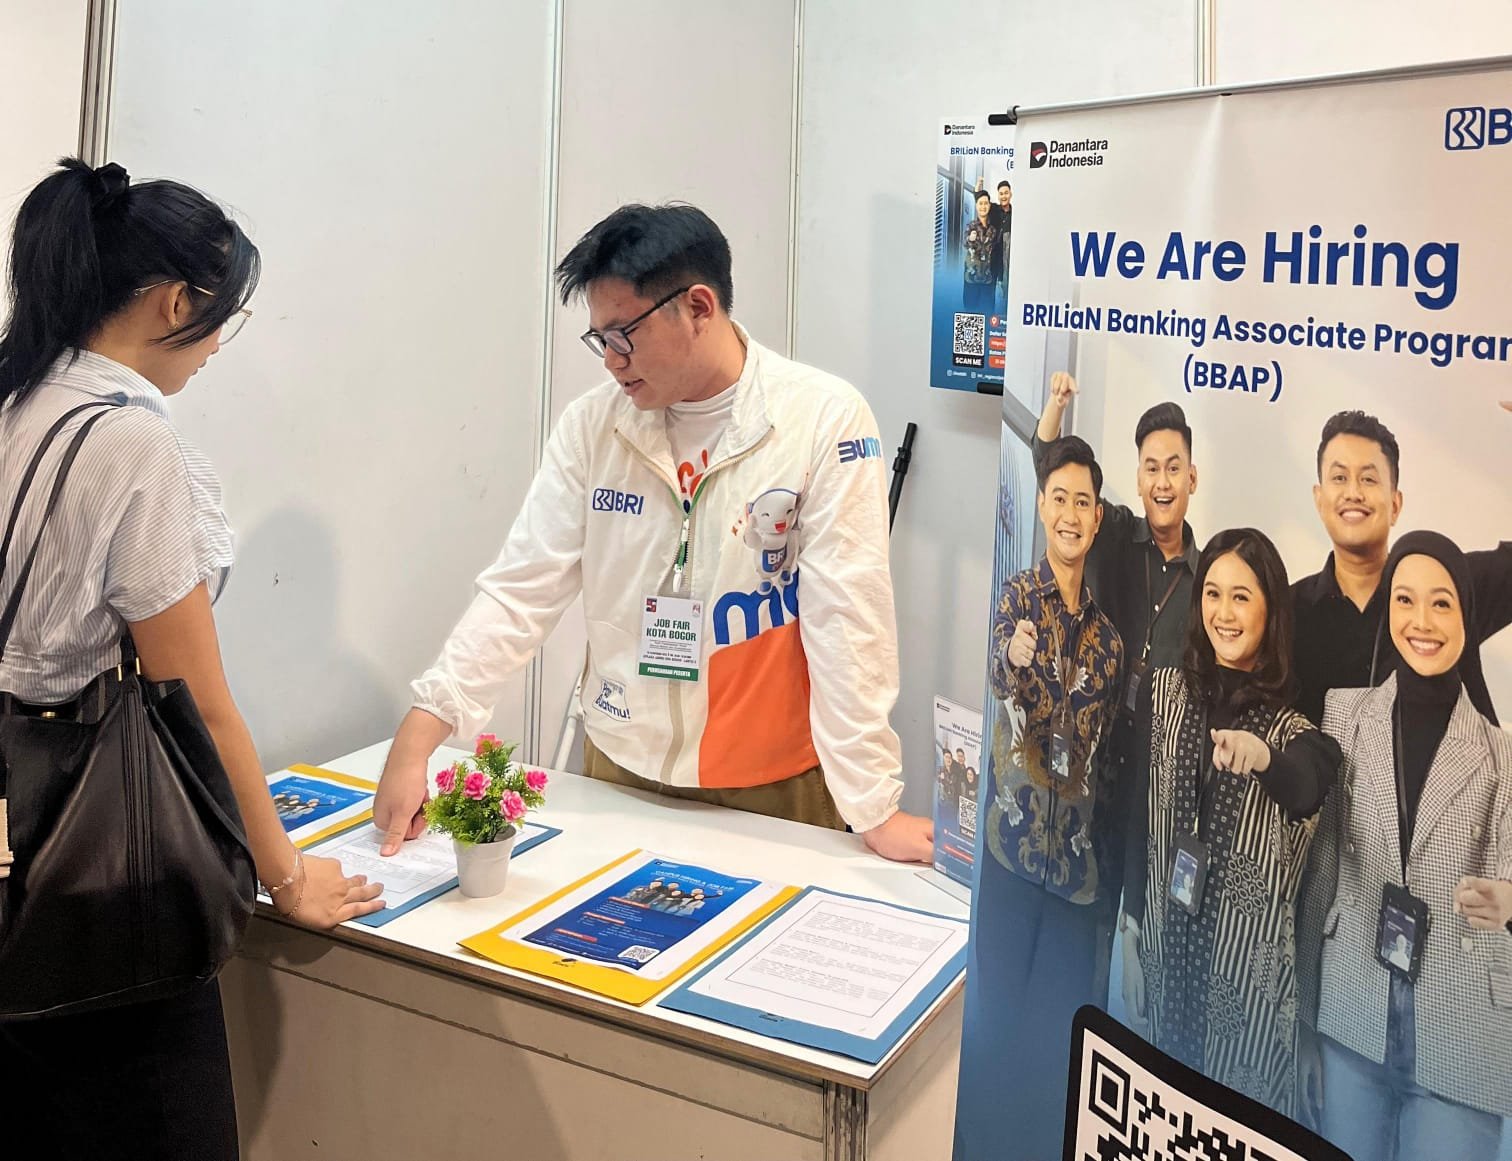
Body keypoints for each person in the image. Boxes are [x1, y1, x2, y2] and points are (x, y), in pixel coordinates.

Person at [0, 159, 382, 1160]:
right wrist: (286, 877)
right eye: (224, 318)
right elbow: (196, 701)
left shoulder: (15, 401)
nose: (216, 346)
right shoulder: (129, 445)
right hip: (92, 879)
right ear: (176, 301)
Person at [372, 204, 931, 863]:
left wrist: (873, 804)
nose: (611, 361)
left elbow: (849, 619)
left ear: (698, 307)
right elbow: (522, 589)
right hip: (621, 767)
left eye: (624, 335)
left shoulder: (822, 420)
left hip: (773, 784)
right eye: (600, 340)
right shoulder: (594, 427)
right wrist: (420, 734)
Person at [1298, 531, 1512, 1161]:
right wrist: (1305, 1021)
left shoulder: (1502, 755)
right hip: (1350, 1013)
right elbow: (1322, 875)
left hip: (1462, 1035)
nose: (1422, 621)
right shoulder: (1344, 714)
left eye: (1442, 603)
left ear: (1467, 616)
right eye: (1405, 600)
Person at [1121, 529, 1340, 1115]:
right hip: (1165, 964)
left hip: (1249, 1008)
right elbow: (1139, 819)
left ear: (1271, 611)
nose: (1223, 612)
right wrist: (1131, 930)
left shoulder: (1298, 735)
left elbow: (1306, 785)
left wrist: (1263, 757)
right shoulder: (1163, 693)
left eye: (1241, 597)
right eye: (1213, 594)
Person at [954, 436, 1124, 1161]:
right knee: (992, 1027)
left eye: (1083, 502)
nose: (1071, 514)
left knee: (1054, 1046)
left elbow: (1104, 758)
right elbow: (999, 667)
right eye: (1059, 499)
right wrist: (1012, 653)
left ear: (1098, 516)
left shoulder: (1111, 642)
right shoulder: (1019, 597)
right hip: (1009, 857)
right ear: (1045, 506)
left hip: (1076, 880)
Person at [1035, 371, 1202, 1012]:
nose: (1162, 481)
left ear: (1192, 478)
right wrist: (1054, 410)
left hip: (1157, 775)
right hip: (1092, 758)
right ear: (1137, 478)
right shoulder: (1114, 532)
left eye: (1173, 468)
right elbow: (1052, 473)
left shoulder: (1207, 580)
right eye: (1151, 468)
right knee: (1081, 913)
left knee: (1141, 927)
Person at [1291, 410, 1512, 726]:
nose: (1353, 493)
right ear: (1319, 499)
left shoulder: (1453, 583)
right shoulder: (1287, 612)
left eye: (1368, 479)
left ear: (1395, 505)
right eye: (1339, 478)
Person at [962, 189, 998, 316]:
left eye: (986, 203)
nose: (983, 206)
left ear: (989, 205)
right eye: (980, 203)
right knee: (971, 313)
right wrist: (970, 239)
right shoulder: (970, 226)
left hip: (987, 279)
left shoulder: (993, 230)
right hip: (971, 278)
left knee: (987, 314)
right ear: (976, 206)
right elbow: (965, 243)